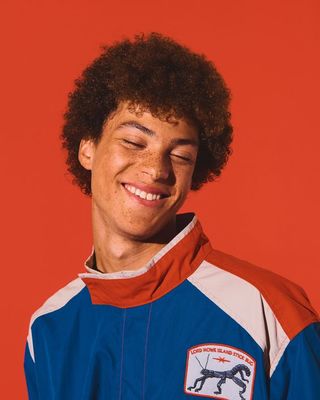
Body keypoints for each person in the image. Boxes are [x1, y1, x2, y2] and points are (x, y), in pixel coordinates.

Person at [24, 33, 320, 400]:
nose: (156, 169)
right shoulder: (50, 328)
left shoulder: (268, 311)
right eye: (134, 142)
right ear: (87, 148)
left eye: (180, 155)